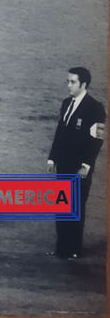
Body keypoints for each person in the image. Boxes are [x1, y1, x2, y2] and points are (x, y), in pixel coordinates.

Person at [46, 66, 106, 259]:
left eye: (72, 82)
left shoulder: (95, 108)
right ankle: (61, 248)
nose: (69, 85)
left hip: (79, 167)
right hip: (63, 164)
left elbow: (97, 140)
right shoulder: (66, 104)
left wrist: (86, 165)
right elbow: (60, 133)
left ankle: (73, 249)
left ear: (83, 84)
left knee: (76, 205)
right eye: (68, 81)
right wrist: (52, 157)